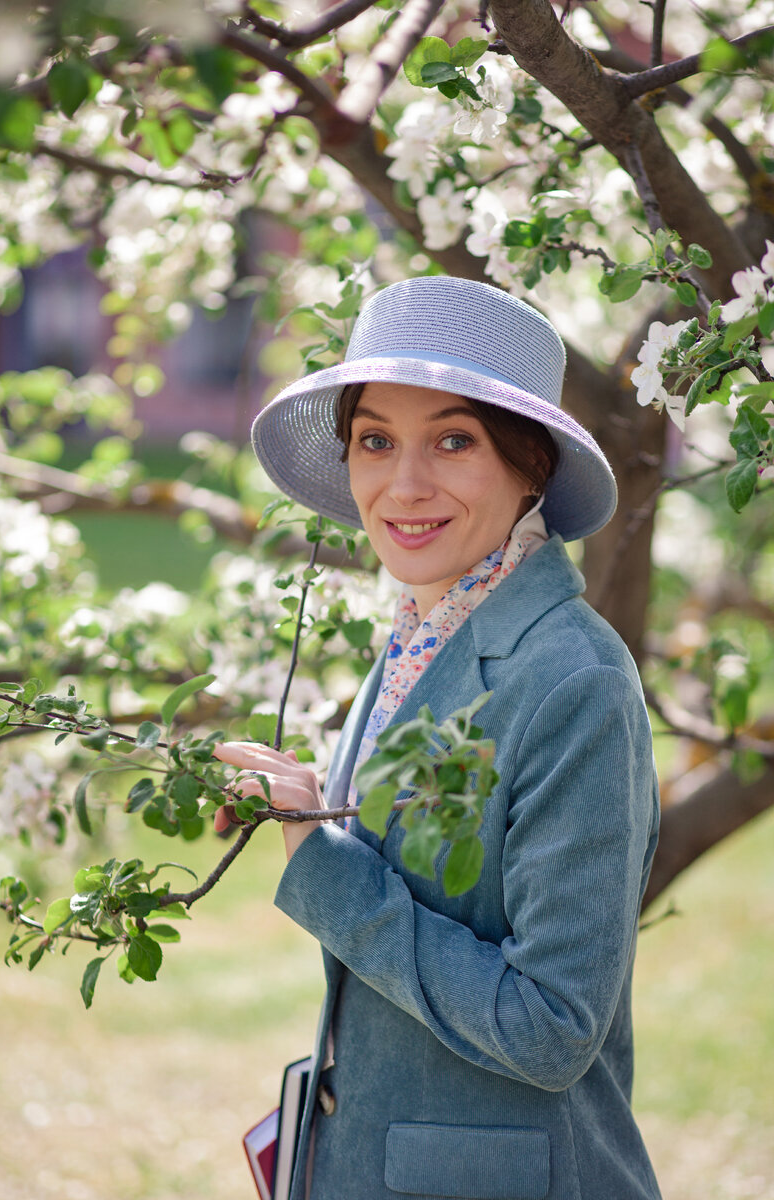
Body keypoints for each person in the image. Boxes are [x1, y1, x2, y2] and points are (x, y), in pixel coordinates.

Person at [215, 276, 662, 1200]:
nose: (403, 485)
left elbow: (549, 1028)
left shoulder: (574, 682)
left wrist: (322, 861)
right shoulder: (426, 629)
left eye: (453, 441)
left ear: (530, 463)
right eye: (375, 440)